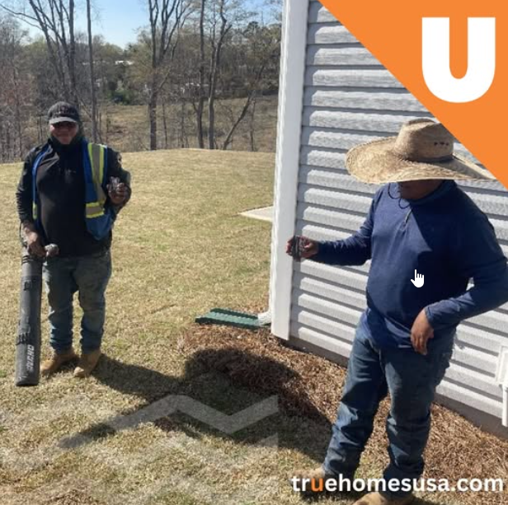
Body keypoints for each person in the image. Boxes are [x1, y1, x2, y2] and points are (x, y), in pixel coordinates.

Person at [288, 119, 508, 505]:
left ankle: (396, 491)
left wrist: (435, 314)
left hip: (417, 346)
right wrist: (318, 249)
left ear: (436, 175)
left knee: (406, 421)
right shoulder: (389, 195)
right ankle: (335, 472)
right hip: (372, 327)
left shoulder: (465, 221)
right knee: (353, 405)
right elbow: (362, 245)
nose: (395, 179)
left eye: (406, 173)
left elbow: (498, 285)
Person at [16, 102, 131, 379]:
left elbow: (121, 191)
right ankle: (62, 351)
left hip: (91, 250)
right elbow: (22, 196)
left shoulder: (101, 155)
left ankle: (91, 351)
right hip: (52, 253)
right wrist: (30, 230)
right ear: (49, 126)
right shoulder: (36, 157)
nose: (64, 129)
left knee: (92, 305)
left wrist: (119, 195)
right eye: (58, 124)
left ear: (78, 125)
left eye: (69, 124)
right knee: (58, 307)